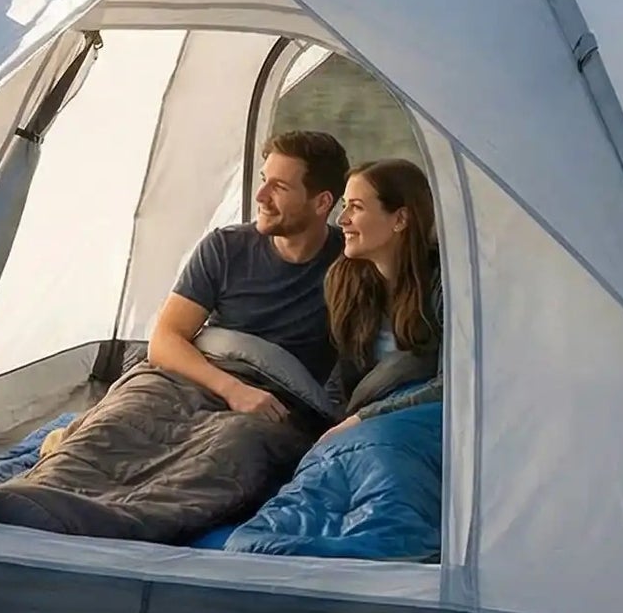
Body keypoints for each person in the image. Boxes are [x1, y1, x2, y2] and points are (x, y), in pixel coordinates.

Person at [145, 129, 348, 423]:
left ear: (322, 203)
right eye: (264, 179)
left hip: (271, 402)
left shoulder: (350, 263)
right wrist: (232, 390)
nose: (261, 196)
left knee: (227, 447)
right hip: (197, 378)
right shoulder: (225, 248)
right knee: (112, 426)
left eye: (279, 187)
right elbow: (164, 340)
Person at [320, 156, 442, 437]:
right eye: (344, 205)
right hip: (361, 428)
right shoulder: (345, 281)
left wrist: (363, 418)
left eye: (356, 207)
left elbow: (454, 384)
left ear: (400, 219)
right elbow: (344, 377)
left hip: (418, 427)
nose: (341, 219)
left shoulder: (444, 287)